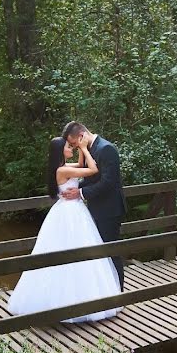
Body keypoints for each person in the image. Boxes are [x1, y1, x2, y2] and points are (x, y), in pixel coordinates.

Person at [7, 134, 121, 322]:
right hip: (70, 213)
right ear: (62, 151)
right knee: (70, 251)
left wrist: (81, 153)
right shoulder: (63, 170)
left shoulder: (63, 168)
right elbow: (92, 170)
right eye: (69, 146)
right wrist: (84, 148)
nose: (72, 148)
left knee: (80, 253)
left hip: (72, 211)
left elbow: (82, 166)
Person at [60, 121, 127, 289]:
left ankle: (118, 292)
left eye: (74, 143)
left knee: (110, 252)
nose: (75, 147)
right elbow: (90, 178)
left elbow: (108, 182)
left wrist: (80, 193)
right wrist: (74, 187)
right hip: (95, 209)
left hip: (109, 210)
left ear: (81, 136)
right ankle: (105, 292)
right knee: (98, 254)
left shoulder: (106, 149)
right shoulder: (88, 150)